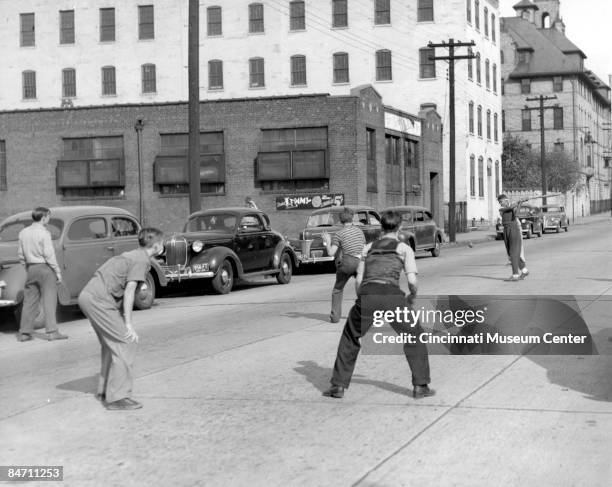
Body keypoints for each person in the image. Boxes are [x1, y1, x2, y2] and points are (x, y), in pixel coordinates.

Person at [322, 210, 434, 399]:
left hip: (368, 295)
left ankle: (338, 386)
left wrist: (362, 299)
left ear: (381, 227)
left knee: (350, 336)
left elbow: (359, 280)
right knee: (414, 335)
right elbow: (412, 281)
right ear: (400, 228)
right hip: (392, 296)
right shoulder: (404, 249)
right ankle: (420, 386)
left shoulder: (368, 248)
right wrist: (413, 295)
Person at [78, 228, 164, 411]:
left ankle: (104, 390)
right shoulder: (142, 260)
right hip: (100, 300)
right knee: (126, 342)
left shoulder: (132, 254)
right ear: (156, 246)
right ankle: (117, 398)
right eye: (162, 243)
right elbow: (130, 291)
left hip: (88, 296)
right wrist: (128, 325)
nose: (163, 245)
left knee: (111, 345)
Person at [17, 207, 67, 342]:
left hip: (31, 268)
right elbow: (49, 255)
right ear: (44, 218)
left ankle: (24, 333)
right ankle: (52, 331)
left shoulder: (23, 232)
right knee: (49, 300)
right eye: (48, 217)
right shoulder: (44, 233)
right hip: (45, 268)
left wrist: (27, 268)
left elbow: (21, 255)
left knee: (29, 301)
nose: (49, 219)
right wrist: (57, 272)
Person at [321, 207, 366, 323]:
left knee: (338, 289)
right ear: (352, 219)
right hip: (361, 262)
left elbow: (331, 252)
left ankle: (335, 317)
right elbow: (363, 248)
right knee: (361, 287)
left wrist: (327, 241)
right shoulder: (359, 231)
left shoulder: (339, 234)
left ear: (340, 220)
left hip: (347, 263)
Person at [498, 194, 529, 281]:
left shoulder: (512, 207)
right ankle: (524, 271)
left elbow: (516, 215)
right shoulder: (501, 209)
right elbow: (509, 208)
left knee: (513, 253)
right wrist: (518, 202)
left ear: (506, 200)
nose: (500, 203)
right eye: (499, 202)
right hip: (506, 231)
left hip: (514, 229)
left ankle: (515, 275)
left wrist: (520, 203)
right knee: (512, 253)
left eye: (501, 201)